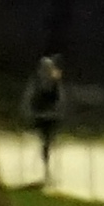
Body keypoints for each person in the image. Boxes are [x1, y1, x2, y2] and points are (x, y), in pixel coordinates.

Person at [26, 54, 70, 185]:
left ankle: (47, 170)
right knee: (47, 143)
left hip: (49, 116)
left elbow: (58, 99)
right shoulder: (41, 82)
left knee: (47, 143)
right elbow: (52, 98)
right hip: (45, 116)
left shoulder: (46, 81)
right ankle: (47, 171)